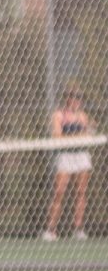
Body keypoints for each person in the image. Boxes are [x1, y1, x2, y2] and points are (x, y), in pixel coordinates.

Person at [42, 85, 94, 242]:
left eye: (79, 97)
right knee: (59, 192)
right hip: (65, 156)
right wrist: (79, 135)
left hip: (81, 155)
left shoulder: (83, 116)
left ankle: (78, 228)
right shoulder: (58, 115)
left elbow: (87, 134)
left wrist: (84, 133)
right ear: (67, 98)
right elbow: (58, 136)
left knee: (81, 192)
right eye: (74, 97)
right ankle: (51, 230)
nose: (77, 101)